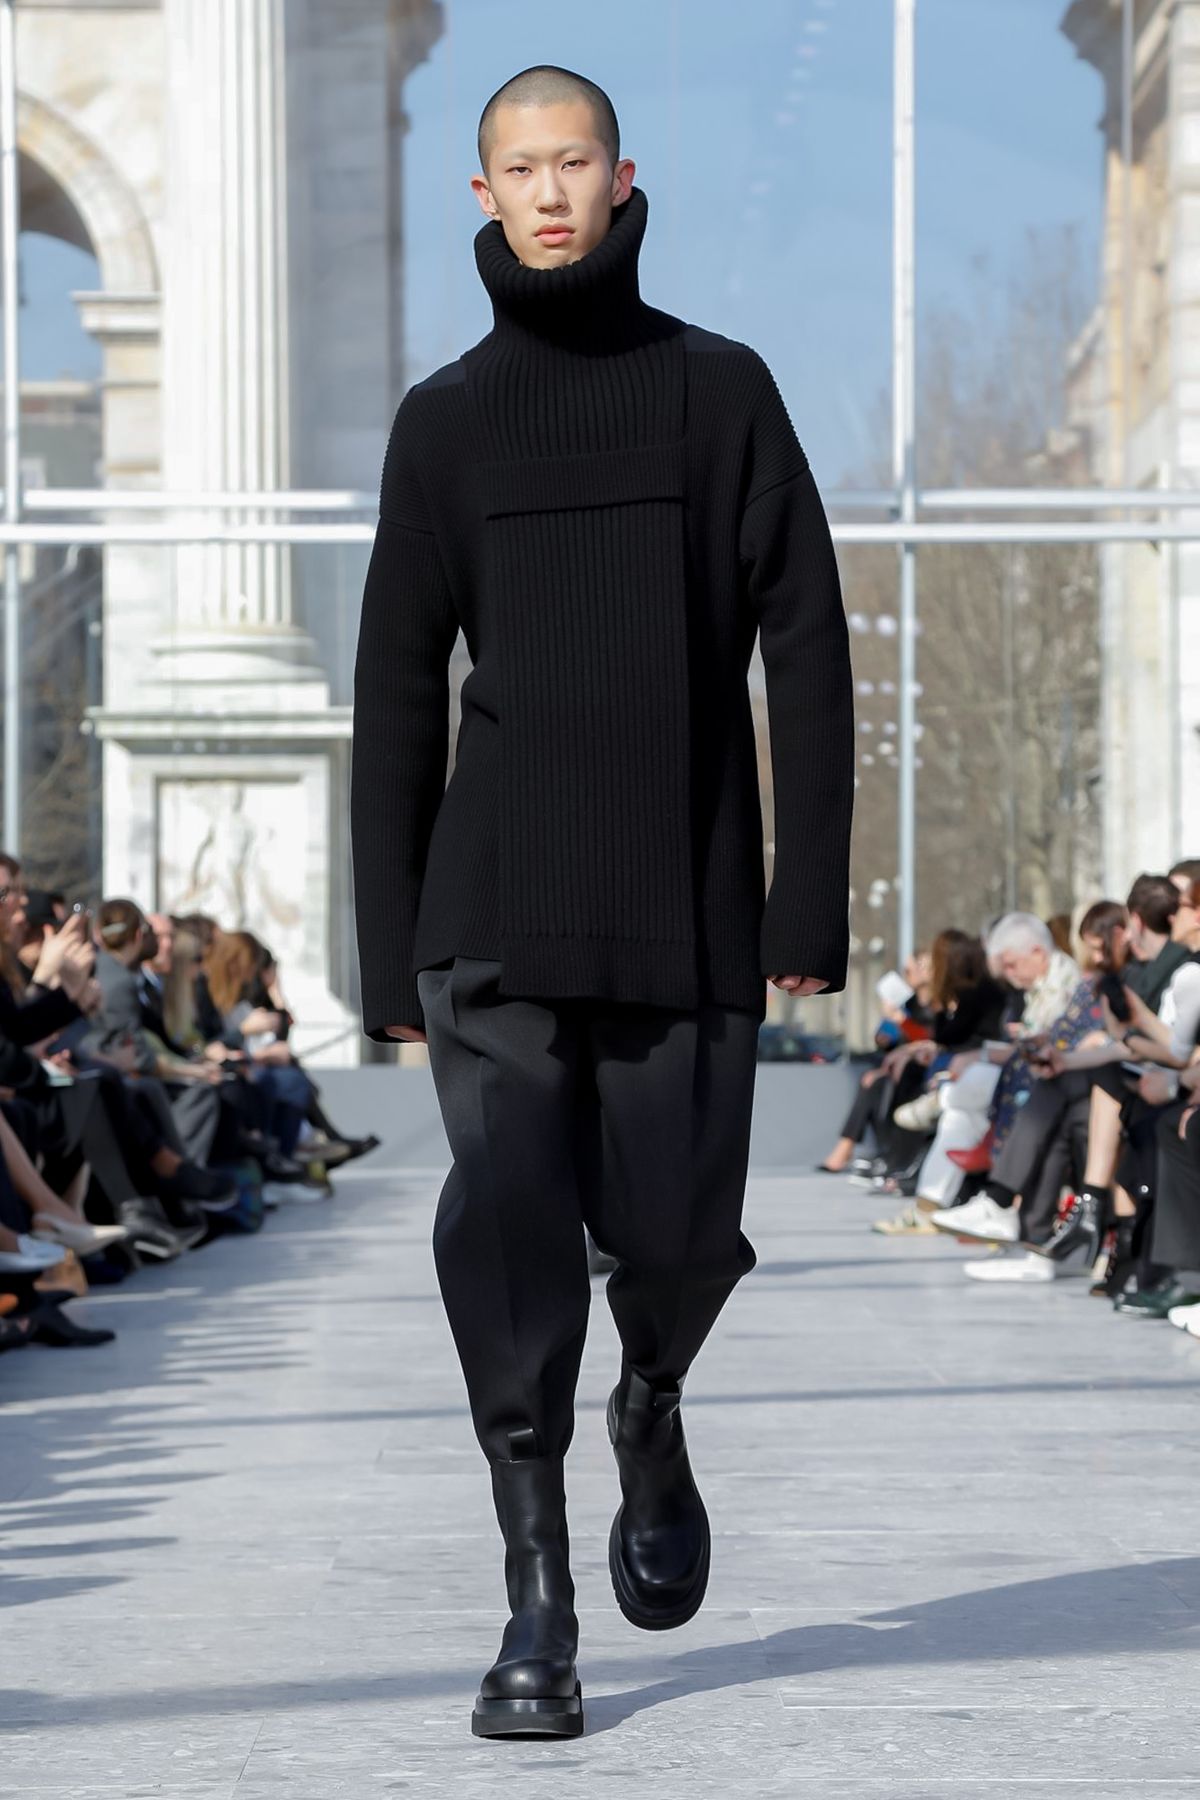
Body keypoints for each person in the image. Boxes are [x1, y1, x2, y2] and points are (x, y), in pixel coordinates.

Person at [350, 65, 854, 1740]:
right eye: (522, 168)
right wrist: (387, 946)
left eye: (575, 162)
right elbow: (398, 690)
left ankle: (652, 1399)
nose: (551, 192)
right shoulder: (444, 420)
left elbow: (809, 652)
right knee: (506, 1235)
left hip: (683, 897)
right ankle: (537, 1598)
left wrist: (805, 902)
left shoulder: (722, 392)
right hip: (492, 902)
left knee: (683, 1236)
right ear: (483, 194)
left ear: (622, 177)